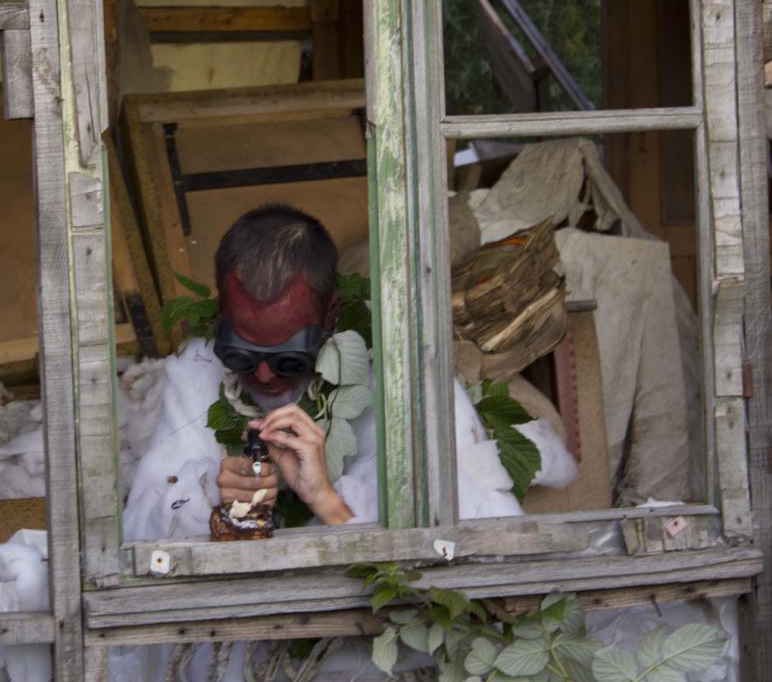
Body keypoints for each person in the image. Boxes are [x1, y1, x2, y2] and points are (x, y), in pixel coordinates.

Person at [123, 204, 577, 541]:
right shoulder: (197, 371)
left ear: (330, 316)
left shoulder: (396, 374)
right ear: (221, 318)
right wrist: (211, 497)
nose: (261, 375)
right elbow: (139, 528)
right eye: (241, 354)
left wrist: (325, 498)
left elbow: (478, 530)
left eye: (287, 358)